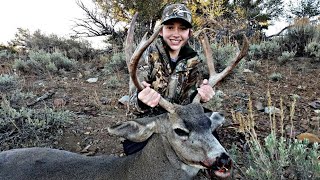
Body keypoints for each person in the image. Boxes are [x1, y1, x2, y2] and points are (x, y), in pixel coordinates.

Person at [124, 3, 215, 155]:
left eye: (182, 28)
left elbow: (191, 95)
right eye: (170, 27)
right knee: (133, 148)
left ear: (189, 33)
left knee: (210, 137)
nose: (176, 34)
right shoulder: (145, 56)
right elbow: (132, 104)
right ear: (160, 31)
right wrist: (141, 99)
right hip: (154, 119)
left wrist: (203, 93)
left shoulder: (194, 60)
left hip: (181, 119)